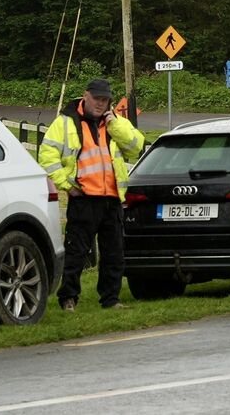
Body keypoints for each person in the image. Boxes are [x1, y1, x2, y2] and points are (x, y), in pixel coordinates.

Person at [38, 78, 144, 311]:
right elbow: (47, 157)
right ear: (85, 96)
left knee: (114, 254)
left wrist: (115, 124)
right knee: (76, 252)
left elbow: (136, 147)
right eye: (97, 99)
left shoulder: (115, 122)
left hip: (112, 198)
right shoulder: (65, 123)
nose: (100, 104)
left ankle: (111, 299)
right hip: (84, 197)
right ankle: (68, 298)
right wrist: (67, 185)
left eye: (105, 100)